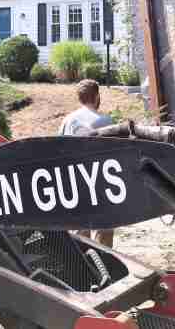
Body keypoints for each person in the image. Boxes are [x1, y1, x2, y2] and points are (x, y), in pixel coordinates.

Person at [60, 79, 115, 247]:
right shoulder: (105, 121)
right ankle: (105, 268)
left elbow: (58, 152)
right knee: (103, 234)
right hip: (100, 184)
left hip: (75, 185)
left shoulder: (67, 122)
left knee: (80, 236)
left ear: (80, 98)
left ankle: (84, 271)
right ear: (97, 96)